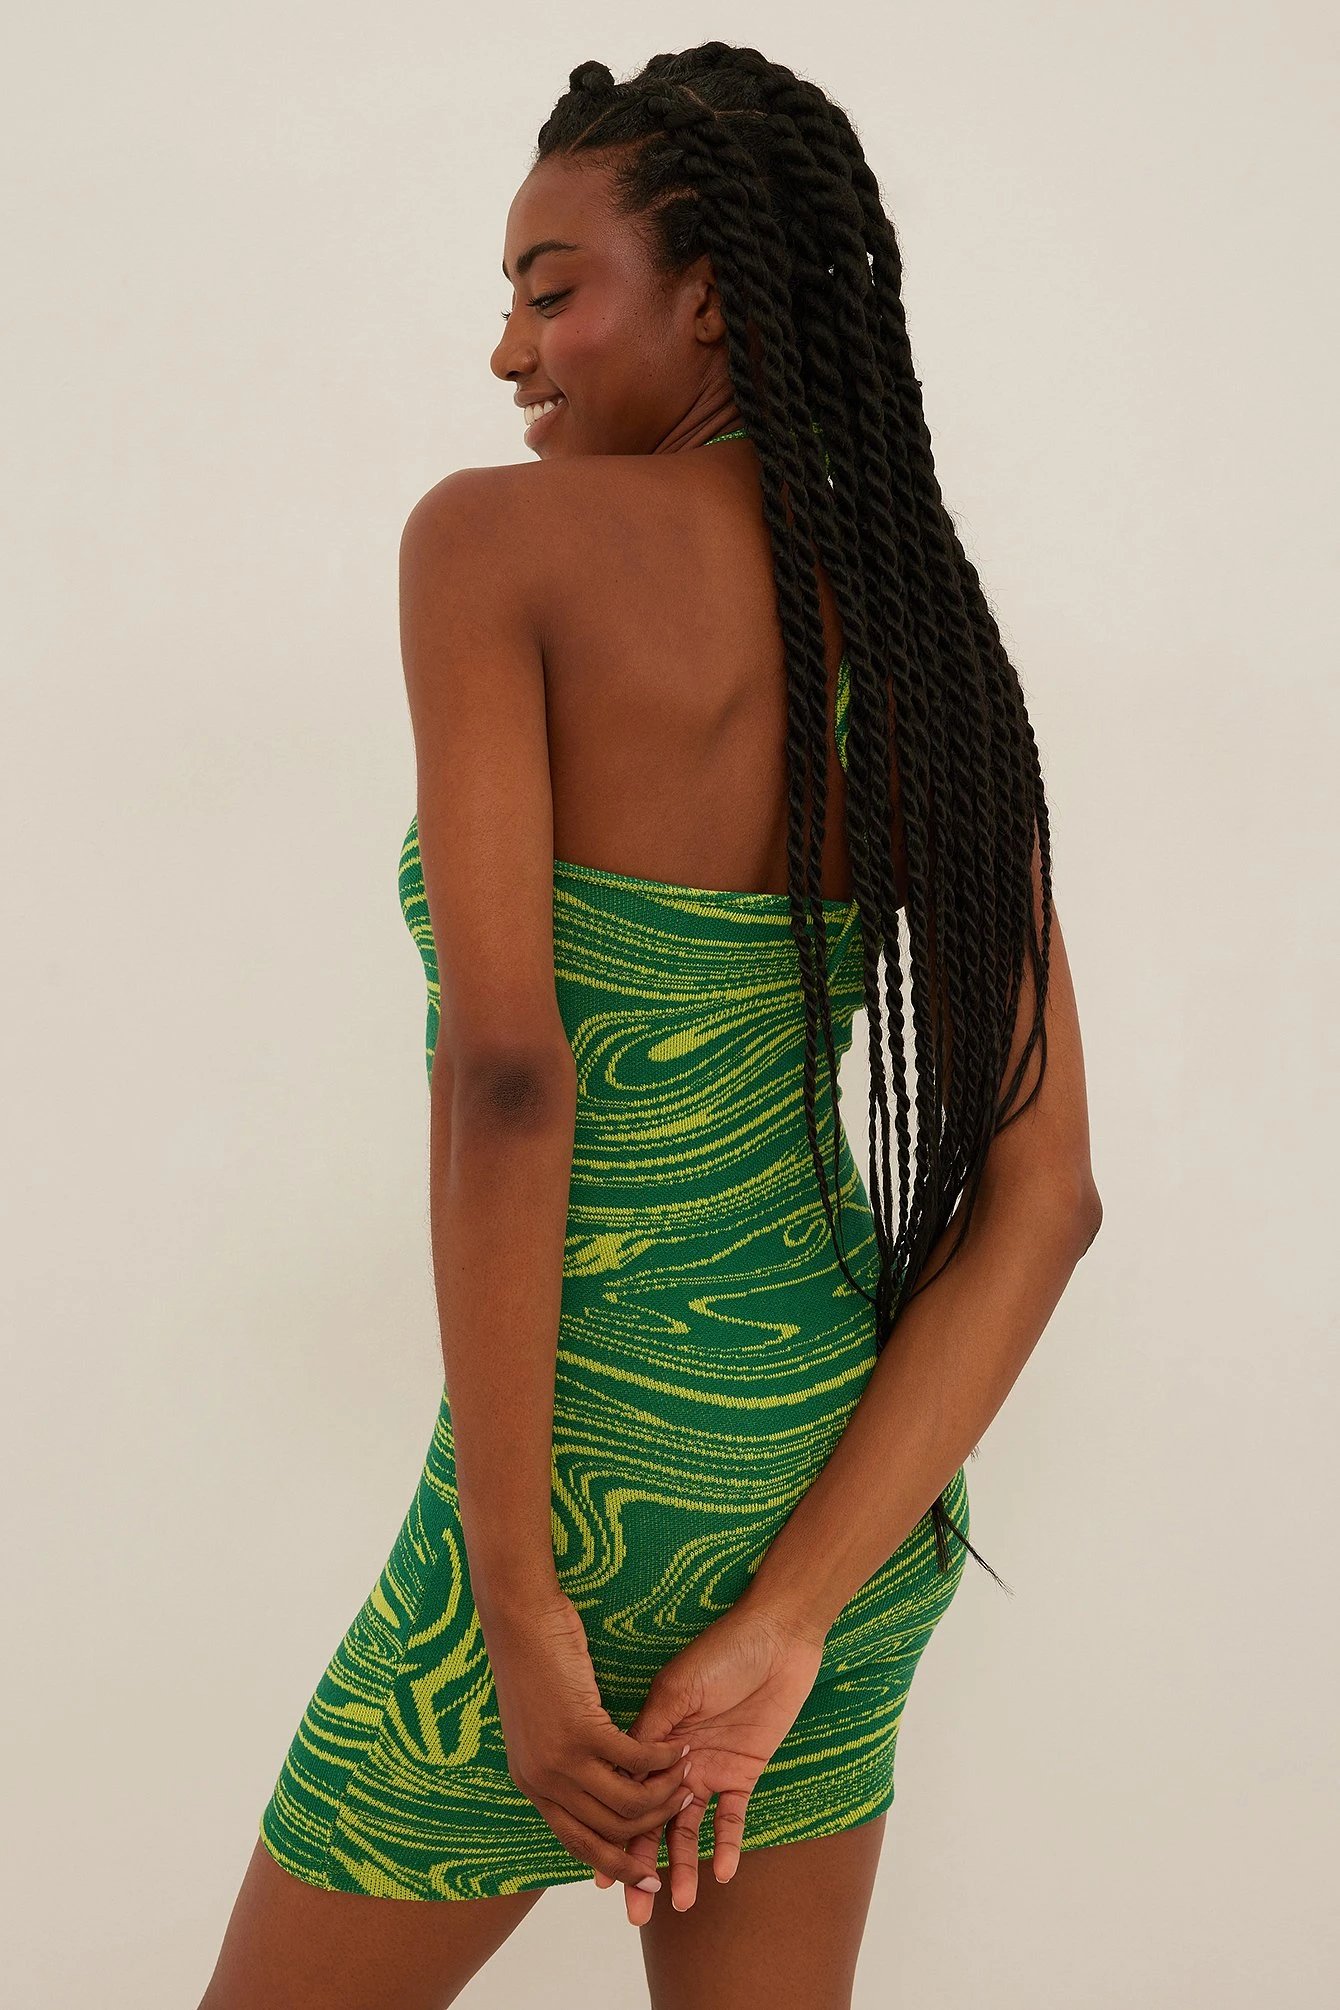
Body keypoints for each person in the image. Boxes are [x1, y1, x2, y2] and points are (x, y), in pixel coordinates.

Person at [200, 42, 1101, 2010]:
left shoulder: (491, 547)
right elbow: (1050, 1197)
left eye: (549, 291)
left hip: (581, 1493)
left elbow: (512, 1077)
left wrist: (520, 1607)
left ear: (708, 294)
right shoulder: (916, 629)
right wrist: (791, 1615)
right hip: (839, 1495)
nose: (508, 354)